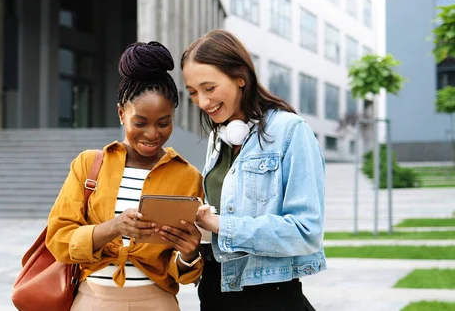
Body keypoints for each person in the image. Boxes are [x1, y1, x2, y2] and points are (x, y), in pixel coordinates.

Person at [46, 41, 204, 311]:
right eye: (140, 123)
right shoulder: (89, 164)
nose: (152, 134)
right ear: (121, 114)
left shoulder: (188, 176)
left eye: (164, 123)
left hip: (157, 301)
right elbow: (59, 240)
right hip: (93, 301)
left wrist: (189, 253)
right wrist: (114, 228)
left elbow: (183, 272)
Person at [181, 29, 326, 311]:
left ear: (240, 78)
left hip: (268, 295)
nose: (202, 102)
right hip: (215, 290)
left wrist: (222, 225)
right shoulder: (218, 138)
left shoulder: (291, 131)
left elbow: (306, 232)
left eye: (209, 88)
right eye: (193, 93)